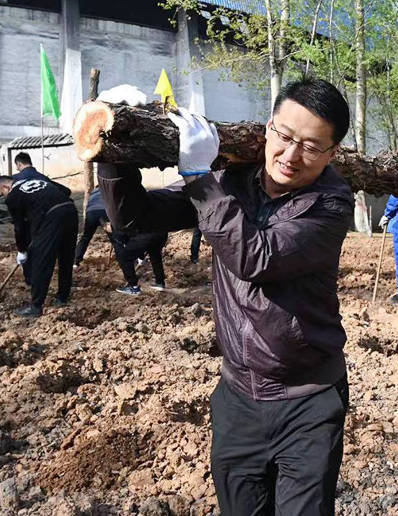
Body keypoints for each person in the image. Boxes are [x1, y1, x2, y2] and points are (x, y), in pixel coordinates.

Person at [97, 79, 354, 516]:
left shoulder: (329, 205)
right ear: (268, 128)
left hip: (308, 400)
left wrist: (199, 177)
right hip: (237, 398)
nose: (291, 156)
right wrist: (114, 150)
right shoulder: (232, 181)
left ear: (332, 153)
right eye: (285, 136)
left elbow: (257, 257)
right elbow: (133, 217)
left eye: (311, 147)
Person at [0, 175, 77, 317]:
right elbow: (66, 191)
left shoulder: (13, 196)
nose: (3, 196)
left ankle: (35, 306)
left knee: (41, 260)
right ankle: (63, 296)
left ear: (6, 187)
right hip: (70, 210)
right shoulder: (38, 180)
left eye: (1, 192)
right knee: (66, 257)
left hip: (52, 216)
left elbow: (19, 228)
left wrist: (22, 250)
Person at [108, 224, 168, 295]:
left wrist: (140, 257)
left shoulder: (118, 225)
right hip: (162, 233)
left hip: (147, 234)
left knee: (124, 257)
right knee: (154, 253)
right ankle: (160, 282)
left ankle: (133, 287)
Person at [74, 187, 109, 267]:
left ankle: (76, 261)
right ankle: (123, 260)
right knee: (115, 238)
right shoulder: (108, 189)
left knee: (86, 237)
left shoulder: (94, 192)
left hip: (91, 212)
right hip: (104, 211)